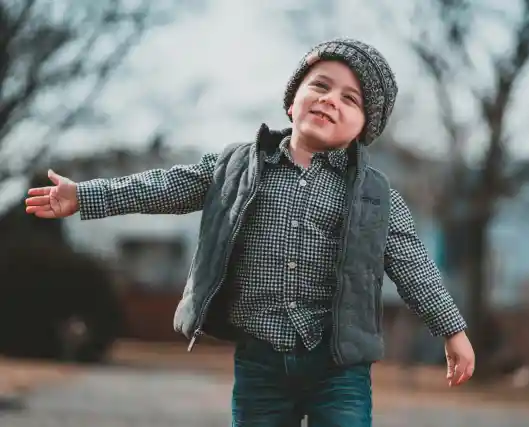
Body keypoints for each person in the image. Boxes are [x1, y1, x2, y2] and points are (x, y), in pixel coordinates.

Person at [25, 38, 475, 426]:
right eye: (319, 85)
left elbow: (414, 264)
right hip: (261, 361)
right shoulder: (239, 167)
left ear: (364, 128)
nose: (330, 99)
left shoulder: (375, 196)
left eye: (350, 98)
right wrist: (86, 195)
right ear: (291, 99)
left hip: (339, 366)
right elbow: (165, 186)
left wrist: (451, 330)